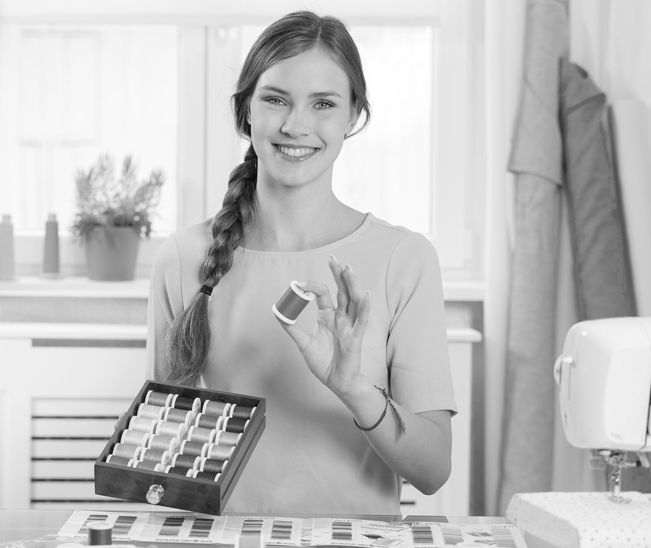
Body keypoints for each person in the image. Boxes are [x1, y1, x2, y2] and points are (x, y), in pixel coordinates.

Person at [147, 10, 456, 516]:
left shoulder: (405, 259)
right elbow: (159, 454)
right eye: (275, 99)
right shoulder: (182, 259)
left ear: (353, 115)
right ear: (246, 109)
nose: (296, 125)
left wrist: (355, 389)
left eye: (324, 104)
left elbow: (432, 471)